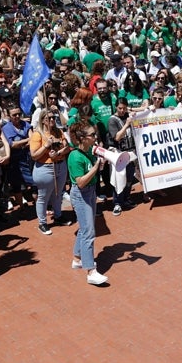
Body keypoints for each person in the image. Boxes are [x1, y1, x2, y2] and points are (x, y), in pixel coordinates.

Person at [67, 126, 108, 286]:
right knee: (89, 232)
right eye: (92, 135)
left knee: (85, 228)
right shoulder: (75, 156)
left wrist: (100, 164)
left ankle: (77, 259)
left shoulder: (90, 150)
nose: (95, 136)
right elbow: (81, 182)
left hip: (90, 193)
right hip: (81, 194)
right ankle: (90, 271)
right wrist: (96, 168)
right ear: (82, 138)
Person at [30, 109, 72, 235]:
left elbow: (67, 147)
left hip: (60, 165)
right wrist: (46, 146)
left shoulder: (58, 131)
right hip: (45, 168)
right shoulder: (37, 135)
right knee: (43, 196)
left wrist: (58, 153)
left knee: (58, 193)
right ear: (43, 120)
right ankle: (42, 223)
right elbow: (34, 155)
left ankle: (58, 216)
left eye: (53, 117)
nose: (53, 120)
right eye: (49, 118)